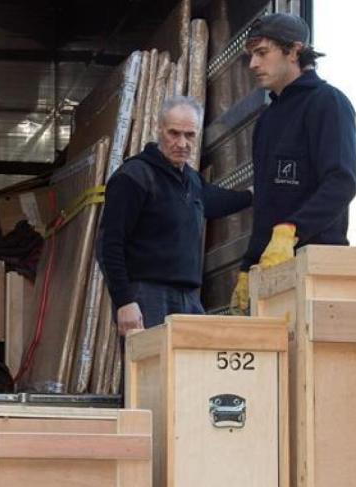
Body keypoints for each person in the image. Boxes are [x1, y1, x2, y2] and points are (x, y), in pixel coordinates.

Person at [230, 12, 356, 314]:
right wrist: (248, 266)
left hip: (319, 266)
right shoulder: (267, 120)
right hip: (273, 272)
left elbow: (341, 182)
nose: (253, 65)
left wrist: (292, 231)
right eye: (251, 55)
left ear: (294, 52)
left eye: (262, 53)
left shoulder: (328, 103)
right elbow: (266, 203)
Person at [98, 95, 252, 336]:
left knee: (192, 369)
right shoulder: (133, 177)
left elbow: (218, 202)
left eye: (189, 135)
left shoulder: (191, 180)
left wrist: (257, 194)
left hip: (189, 298)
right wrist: (124, 301)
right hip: (147, 296)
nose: (182, 143)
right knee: (151, 372)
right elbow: (109, 245)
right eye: (174, 133)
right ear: (158, 129)